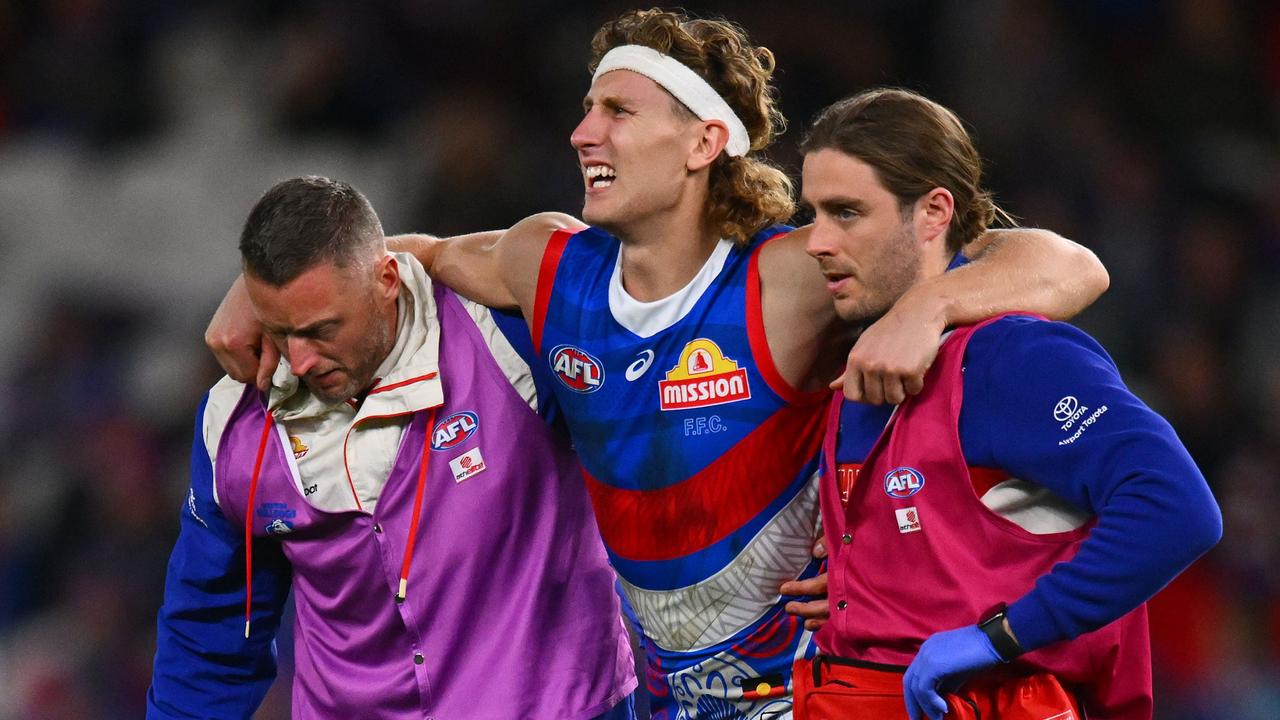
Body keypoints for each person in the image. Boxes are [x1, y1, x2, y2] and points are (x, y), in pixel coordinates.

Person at [205, 11, 1109, 719]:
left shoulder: (782, 282)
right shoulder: (544, 263)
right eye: (588, 109)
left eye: (617, 112)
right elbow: (398, 259)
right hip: (660, 703)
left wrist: (930, 307)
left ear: (704, 144)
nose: (581, 133)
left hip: (804, 695)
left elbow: (1070, 263)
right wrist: (255, 292)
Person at [796, 88, 1222, 720]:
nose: (816, 241)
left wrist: (999, 636)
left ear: (935, 212)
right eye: (814, 213)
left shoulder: (1008, 357)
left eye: (847, 212)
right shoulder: (857, 359)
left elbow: (1177, 507)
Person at [147, 176, 637, 719]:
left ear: (386, 279)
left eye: (321, 329)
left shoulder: (502, 332)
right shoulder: (233, 420)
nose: (301, 360)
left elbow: (616, 281)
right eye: (281, 332)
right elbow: (207, 636)